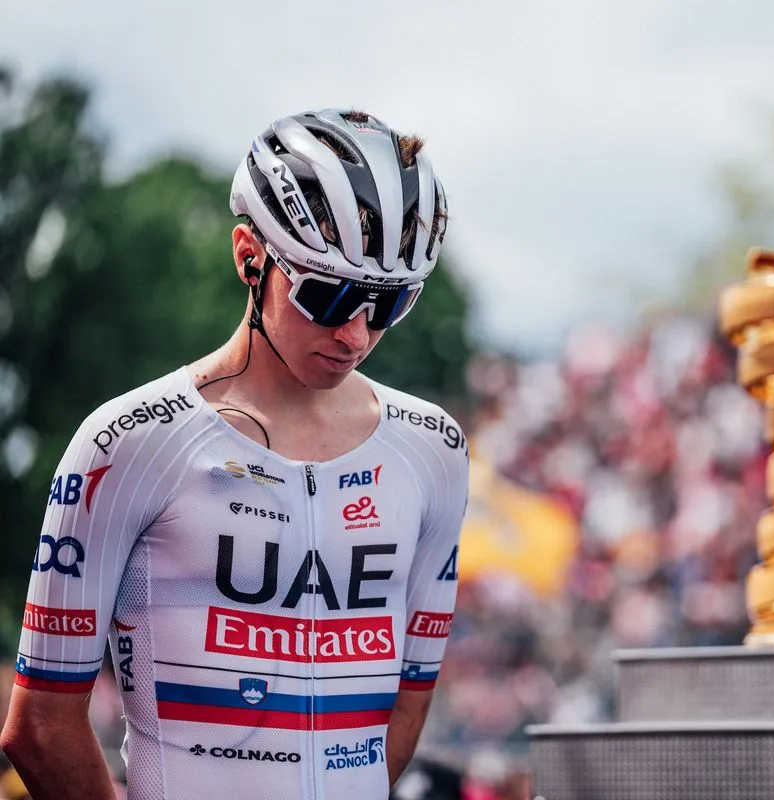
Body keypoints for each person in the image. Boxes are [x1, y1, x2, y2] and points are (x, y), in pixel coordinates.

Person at [0, 109, 470, 800]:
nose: (357, 332)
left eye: (389, 302)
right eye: (329, 294)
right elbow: (39, 725)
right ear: (250, 255)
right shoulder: (128, 440)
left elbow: (404, 705)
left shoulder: (435, 448)